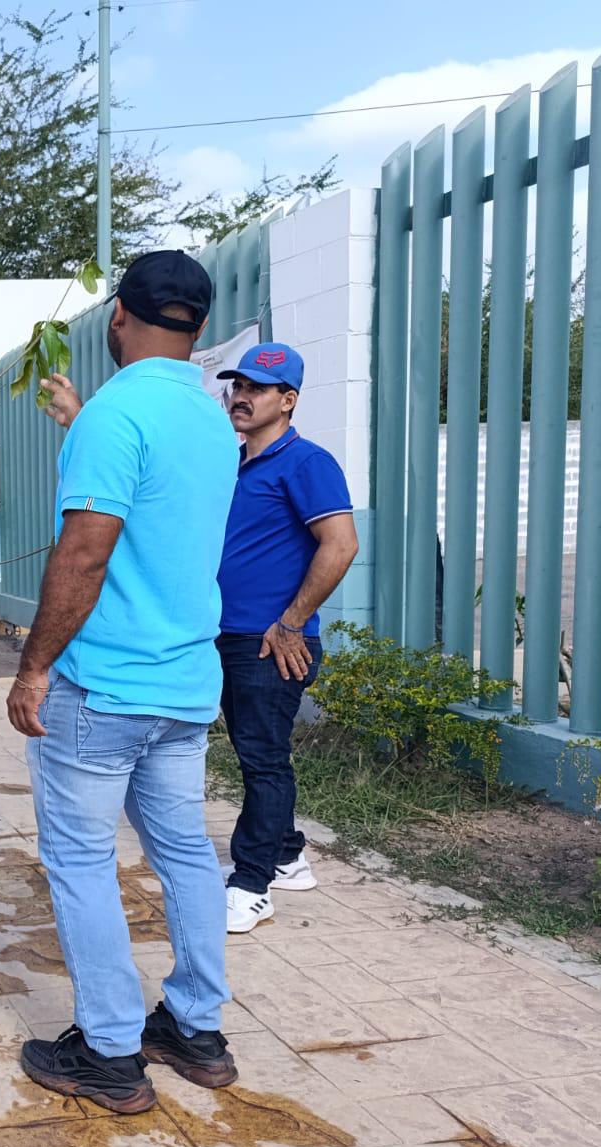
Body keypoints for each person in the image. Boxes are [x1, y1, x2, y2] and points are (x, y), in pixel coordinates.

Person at [7, 250, 240, 1114]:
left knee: (80, 862)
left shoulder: (116, 414)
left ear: (118, 318)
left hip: (102, 690)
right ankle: (196, 1029)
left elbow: (86, 552)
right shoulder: (213, 418)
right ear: (200, 328)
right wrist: (82, 420)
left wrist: (33, 669)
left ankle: (109, 1052)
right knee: (185, 855)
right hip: (185, 686)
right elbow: (157, 513)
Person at [213, 343, 357, 932]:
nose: (240, 396)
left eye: (256, 388)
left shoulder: (306, 463)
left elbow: (341, 544)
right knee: (259, 752)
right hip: (234, 637)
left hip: (271, 643)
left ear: (288, 400)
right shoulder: (236, 462)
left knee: (263, 761)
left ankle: (252, 884)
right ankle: (289, 854)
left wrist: (292, 621)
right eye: (236, 385)